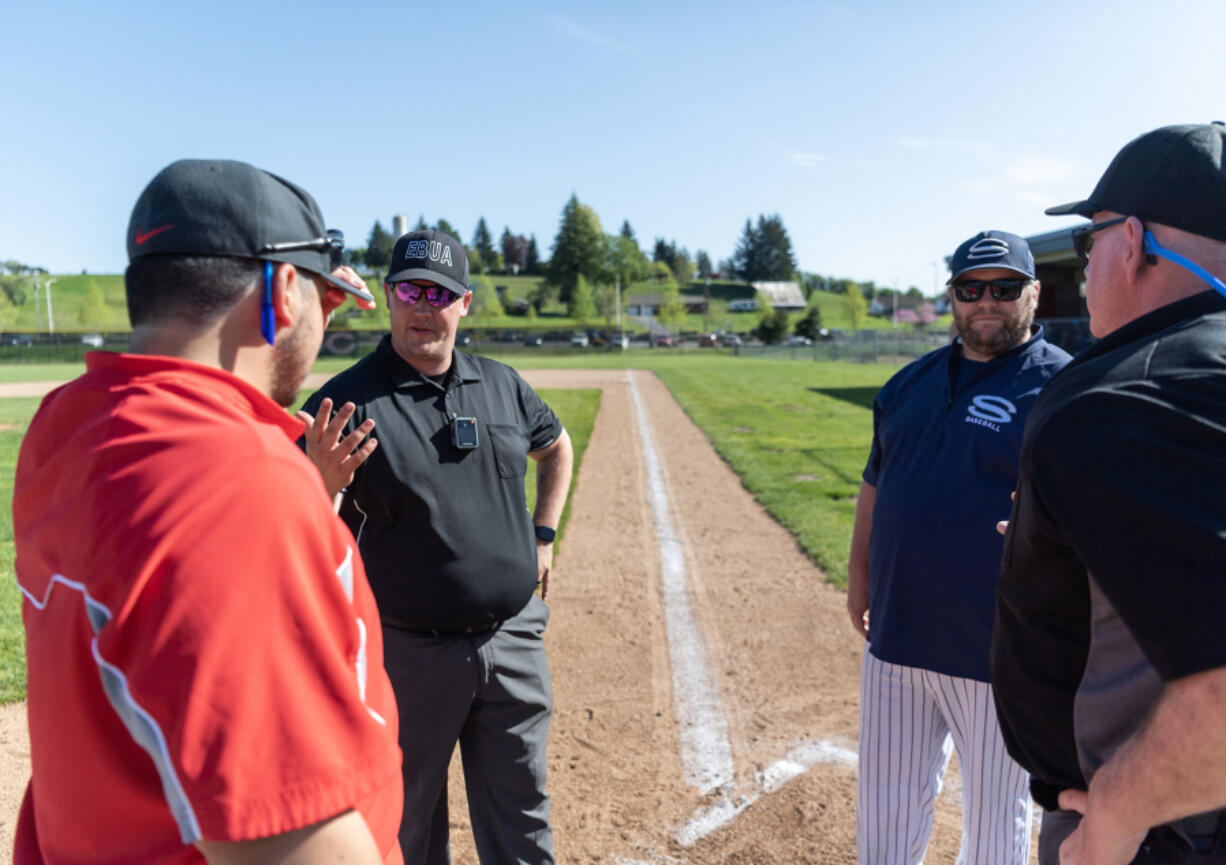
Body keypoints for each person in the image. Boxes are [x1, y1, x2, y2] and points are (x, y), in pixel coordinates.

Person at [13, 159, 404, 865]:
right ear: (284, 292)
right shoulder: (236, 480)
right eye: (328, 299)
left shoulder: (63, 428)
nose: (325, 324)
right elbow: (287, 832)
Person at [299, 228, 574, 865]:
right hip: (409, 657)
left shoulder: (501, 384)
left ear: (464, 302)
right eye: (410, 289)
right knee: (408, 822)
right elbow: (296, 525)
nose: (424, 305)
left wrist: (543, 535)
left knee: (523, 814)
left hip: (513, 643)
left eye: (440, 292)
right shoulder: (345, 401)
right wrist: (321, 482)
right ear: (391, 296)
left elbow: (555, 446)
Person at [991, 122, 1226, 865]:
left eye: (1091, 243)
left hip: (1158, 830)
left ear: (1132, 241)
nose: (1086, 264)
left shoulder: (1121, 394)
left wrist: (1116, 820)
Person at [847, 230, 1072, 864]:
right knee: (885, 818)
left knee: (996, 829)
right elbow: (876, 484)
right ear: (953, 297)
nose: (986, 303)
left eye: (1004, 289)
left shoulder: (1062, 387)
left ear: (1033, 293)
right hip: (897, 638)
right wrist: (858, 576)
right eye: (971, 289)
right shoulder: (906, 384)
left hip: (1000, 651)